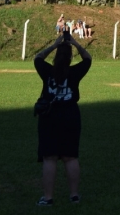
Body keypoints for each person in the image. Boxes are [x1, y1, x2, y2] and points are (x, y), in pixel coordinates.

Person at [33, 32, 92, 206]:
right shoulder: (75, 72)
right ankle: (74, 195)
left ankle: (48, 197)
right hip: (70, 116)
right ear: (70, 58)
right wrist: (75, 44)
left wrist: (54, 45)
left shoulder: (47, 71)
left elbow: (37, 58)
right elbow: (88, 59)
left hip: (49, 117)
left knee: (49, 158)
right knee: (71, 157)